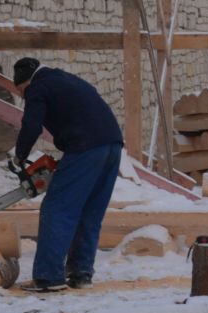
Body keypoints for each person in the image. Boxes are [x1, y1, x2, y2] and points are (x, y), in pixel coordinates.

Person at [11, 57, 124, 291]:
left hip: (85, 146)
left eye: (21, 92)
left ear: (24, 83)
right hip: (112, 144)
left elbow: (32, 125)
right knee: (89, 210)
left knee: (57, 208)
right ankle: (81, 273)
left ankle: (48, 277)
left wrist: (20, 155)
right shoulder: (64, 79)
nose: (23, 96)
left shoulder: (37, 87)